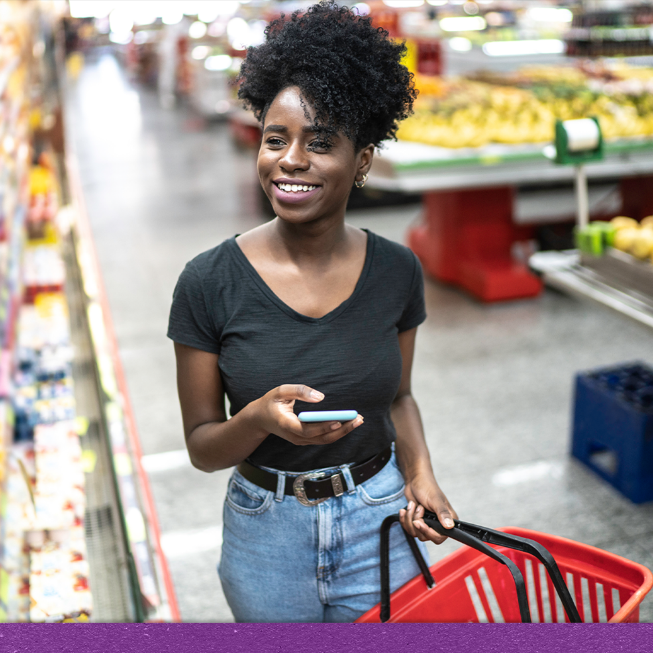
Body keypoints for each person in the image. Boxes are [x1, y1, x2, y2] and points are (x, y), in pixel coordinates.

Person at [167, 0, 457, 623]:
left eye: (320, 143)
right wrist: (260, 420)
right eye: (276, 139)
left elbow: (399, 397)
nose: (291, 160)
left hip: (380, 516)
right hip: (265, 532)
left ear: (363, 161)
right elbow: (202, 447)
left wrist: (421, 474)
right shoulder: (208, 281)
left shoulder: (397, 270)